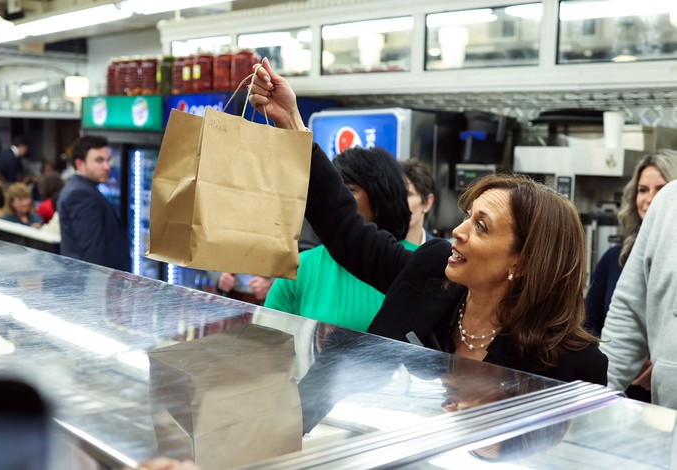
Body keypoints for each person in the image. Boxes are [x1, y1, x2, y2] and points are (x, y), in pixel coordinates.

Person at [248, 58, 606, 384]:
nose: (458, 232)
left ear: (524, 260)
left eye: (481, 226)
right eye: (467, 217)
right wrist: (293, 124)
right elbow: (347, 232)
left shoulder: (572, 363)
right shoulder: (432, 274)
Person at [263, 146, 413, 332]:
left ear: (379, 198)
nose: (338, 198)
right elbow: (265, 342)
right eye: (333, 190)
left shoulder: (417, 265)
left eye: (349, 190)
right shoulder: (300, 267)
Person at [585, 152, 677, 400]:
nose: (648, 198)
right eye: (642, 189)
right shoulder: (669, 202)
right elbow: (628, 313)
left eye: (657, 188)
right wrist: (594, 401)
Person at [57, 135, 131, 271]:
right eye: (99, 160)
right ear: (80, 164)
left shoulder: (79, 188)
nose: (107, 166)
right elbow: (92, 253)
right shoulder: (81, 195)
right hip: (97, 284)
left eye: (108, 160)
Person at [401, 159, 436, 245]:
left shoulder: (439, 253)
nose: (400, 201)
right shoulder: (379, 248)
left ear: (427, 203)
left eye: (408, 194)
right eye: (397, 193)